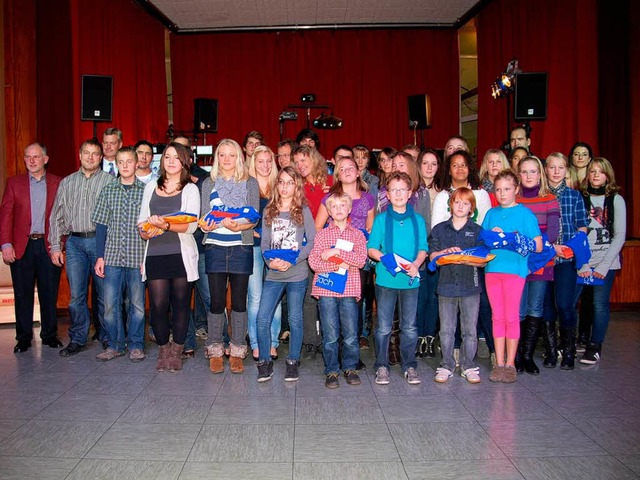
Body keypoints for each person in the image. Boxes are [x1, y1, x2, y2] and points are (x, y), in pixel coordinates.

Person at [49, 139, 115, 357]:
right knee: (76, 296)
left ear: (101, 157)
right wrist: (55, 246)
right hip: (75, 243)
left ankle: (107, 337)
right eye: (86, 153)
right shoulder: (67, 183)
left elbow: (116, 218)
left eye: (95, 154)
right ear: (79, 155)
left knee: (104, 295)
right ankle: (78, 338)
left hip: (100, 242)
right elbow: (56, 216)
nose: (90, 157)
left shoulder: (109, 182)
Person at [138, 142, 199, 371]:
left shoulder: (190, 189)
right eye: (167, 157)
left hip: (181, 255)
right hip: (155, 254)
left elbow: (191, 225)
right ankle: (163, 348)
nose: (171, 161)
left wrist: (165, 224)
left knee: (181, 304)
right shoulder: (151, 186)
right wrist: (145, 230)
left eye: (176, 157)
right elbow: (142, 221)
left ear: (184, 161)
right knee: (158, 305)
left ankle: (177, 350)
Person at [200, 139, 259, 374]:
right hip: (214, 246)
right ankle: (215, 349)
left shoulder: (250, 183)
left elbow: (253, 217)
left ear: (239, 158)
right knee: (215, 301)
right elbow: (203, 217)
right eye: (222, 155)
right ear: (217, 158)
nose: (226, 160)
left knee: (238, 302)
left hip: (241, 247)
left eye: (231, 155)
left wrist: (239, 226)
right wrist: (206, 225)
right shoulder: (208, 183)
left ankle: (237, 350)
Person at [255, 167, 316, 382]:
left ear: (296, 186)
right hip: (274, 272)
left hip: (297, 273)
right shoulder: (269, 210)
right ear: (277, 184)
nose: (285, 186)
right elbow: (263, 243)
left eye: (290, 182)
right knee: (262, 318)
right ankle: (264, 361)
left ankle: (292, 361)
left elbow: (312, 242)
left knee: (295, 318)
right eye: (282, 181)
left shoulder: (303, 210)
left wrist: (293, 260)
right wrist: (270, 261)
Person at [0, 142, 62, 352]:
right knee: (22, 294)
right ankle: (24, 338)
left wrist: (59, 245)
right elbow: (6, 216)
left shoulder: (58, 183)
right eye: (28, 157)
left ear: (45, 159)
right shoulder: (13, 183)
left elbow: (63, 217)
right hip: (21, 247)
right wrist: (6, 244)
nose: (32, 161)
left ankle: (49, 336)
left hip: (48, 245)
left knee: (49, 292)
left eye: (36, 157)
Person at [368, 171, 428, 386]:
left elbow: (423, 248)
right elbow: (372, 248)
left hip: (411, 280)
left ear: (410, 193)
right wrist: (386, 259)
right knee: (384, 326)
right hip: (386, 280)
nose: (399, 193)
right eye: (394, 190)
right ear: (388, 194)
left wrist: (416, 264)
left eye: (403, 189)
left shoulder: (418, 220)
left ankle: (409, 365)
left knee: (409, 326)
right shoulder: (382, 219)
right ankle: (382, 365)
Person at [482, 170, 542, 383]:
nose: (502, 193)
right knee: (497, 316)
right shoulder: (491, 214)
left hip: (515, 271)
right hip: (493, 270)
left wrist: (515, 239)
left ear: (516, 189)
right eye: (498, 189)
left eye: (507, 189)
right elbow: (484, 241)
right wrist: (492, 236)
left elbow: (538, 244)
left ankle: (510, 363)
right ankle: (499, 363)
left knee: (512, 316)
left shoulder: (525, 214)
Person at [92, 147, 146, 362]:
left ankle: (136, 345)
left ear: (136, 163)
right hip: (112, 257)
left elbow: (150, 228)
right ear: (115, 165)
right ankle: (115, 344)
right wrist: (99, 256)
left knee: (137, 305)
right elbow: (101, 226)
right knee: (109, 304)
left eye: (128, 161)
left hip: (137, 257)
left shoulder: (146, 191)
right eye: (120, 162)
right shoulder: (107, 190)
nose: (125, 166)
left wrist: (147, 259)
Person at [309, 192, 367, 388]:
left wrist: (336, 252)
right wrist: (334, 266)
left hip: (349, 290)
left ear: (349, 209)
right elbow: (314, 261)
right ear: (329, 211)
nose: (339, 209)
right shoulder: (323, 234)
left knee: (351, 334)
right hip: (327, 290)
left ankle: (350, 367)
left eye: (343, 205)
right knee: (330, 333)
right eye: (334, 206)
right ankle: (332, 370)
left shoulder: (357, 234)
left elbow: (360, 260)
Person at [429, 188, 483, 383]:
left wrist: (468, 259)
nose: (461, 206)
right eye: (457, 202)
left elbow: (484, 260)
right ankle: (447, 364)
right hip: (446, 286)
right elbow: (433, 256)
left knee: (470, 330)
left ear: (472, 208)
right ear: (450, 204)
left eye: (465, 203)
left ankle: (469, 365)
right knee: (446, 329)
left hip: (471, 286)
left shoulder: (477, 230)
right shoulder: (439, 229)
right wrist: (446, 253)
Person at [578, 158, 626, 364]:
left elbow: (620, 235)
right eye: (592, 171)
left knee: (599, 303)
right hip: (584, 262)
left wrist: (604, 266)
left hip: (606, 263)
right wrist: (584, 263)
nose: (596, 175)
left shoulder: (616, 200)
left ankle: (595, 345)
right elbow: (576, 234)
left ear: (608, 175)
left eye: (601, 171)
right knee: (581, 303)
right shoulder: (581, 199)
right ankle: (580, 339)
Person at [544, 152, 589, 370]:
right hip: (544, 259)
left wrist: (571, 248)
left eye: (560, 168)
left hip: (566, 259)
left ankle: (569, 349)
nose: (555, 172)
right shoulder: (542, 195)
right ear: (546, 169)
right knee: (547, 307)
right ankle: (552, 351)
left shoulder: (574, 196)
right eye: (551, 167)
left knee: (565, 304)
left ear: (566, 171)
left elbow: (582, 225)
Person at [516, 156, 560, 374]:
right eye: (524, 172)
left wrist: (527, 241)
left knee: (535, 307)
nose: (529, 176)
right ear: (518, 175)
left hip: (542, 261)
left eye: (533, 171)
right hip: (519, 262)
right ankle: (516, 355)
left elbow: (552, 233)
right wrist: (531, 242)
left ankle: (527, 356)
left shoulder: (550, 199)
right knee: (519, 309)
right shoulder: (514, 200)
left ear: (540, 174)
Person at [292, 144, 332, 358]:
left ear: (314, 159)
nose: (300, 165)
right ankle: (310, 342)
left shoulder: (331, 183)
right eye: (296, 162)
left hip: (329, 248)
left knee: (327, 296)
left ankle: (330, 341)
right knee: (308, 298)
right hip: (308, 247)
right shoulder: (297, 187)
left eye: (304, 160)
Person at [247, 145, 282, 361]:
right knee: (256, 297)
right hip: (251, 246)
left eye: (269, 160)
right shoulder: (246, 187)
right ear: (253, 163)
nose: (265, 165)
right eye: (260, 161)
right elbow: (239, 216)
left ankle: (273, 341)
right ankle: (257, 342)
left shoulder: (280, 186)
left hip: (277, 249)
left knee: (275, 296)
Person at [416, 148, 442, 357]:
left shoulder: (443, 192)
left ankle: (430, 338)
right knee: (420, 296)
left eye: (434, 163)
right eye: (425, 163)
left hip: (439, 250)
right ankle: (418, 338)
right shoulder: (413, 191)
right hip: (419, 251)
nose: (429, 167)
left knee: (434, 296)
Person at [431, 150, 491, 228]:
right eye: (455, 165)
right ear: (449, 171)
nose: (460, 168)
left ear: (469, 169)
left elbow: (486, 225)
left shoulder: (481, 194)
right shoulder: (442, 197)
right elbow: (436, 229)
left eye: (464, 165)